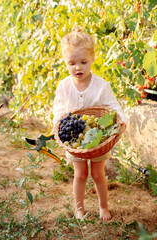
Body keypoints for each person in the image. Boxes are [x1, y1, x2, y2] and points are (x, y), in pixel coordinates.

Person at [52, 26, 127, 221]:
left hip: (97, 139)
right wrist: (57, 125)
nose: (78, 67)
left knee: (98, 174)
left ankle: (103, 206)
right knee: (80, 175)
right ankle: (79, 209)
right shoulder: (64, 86)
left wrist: (122, 122)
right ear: (65, 62)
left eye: (83, 62)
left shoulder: (101, 85)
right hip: (74, 140)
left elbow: (114, 106)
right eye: (72, 63)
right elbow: (59, 111)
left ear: (93, 58)